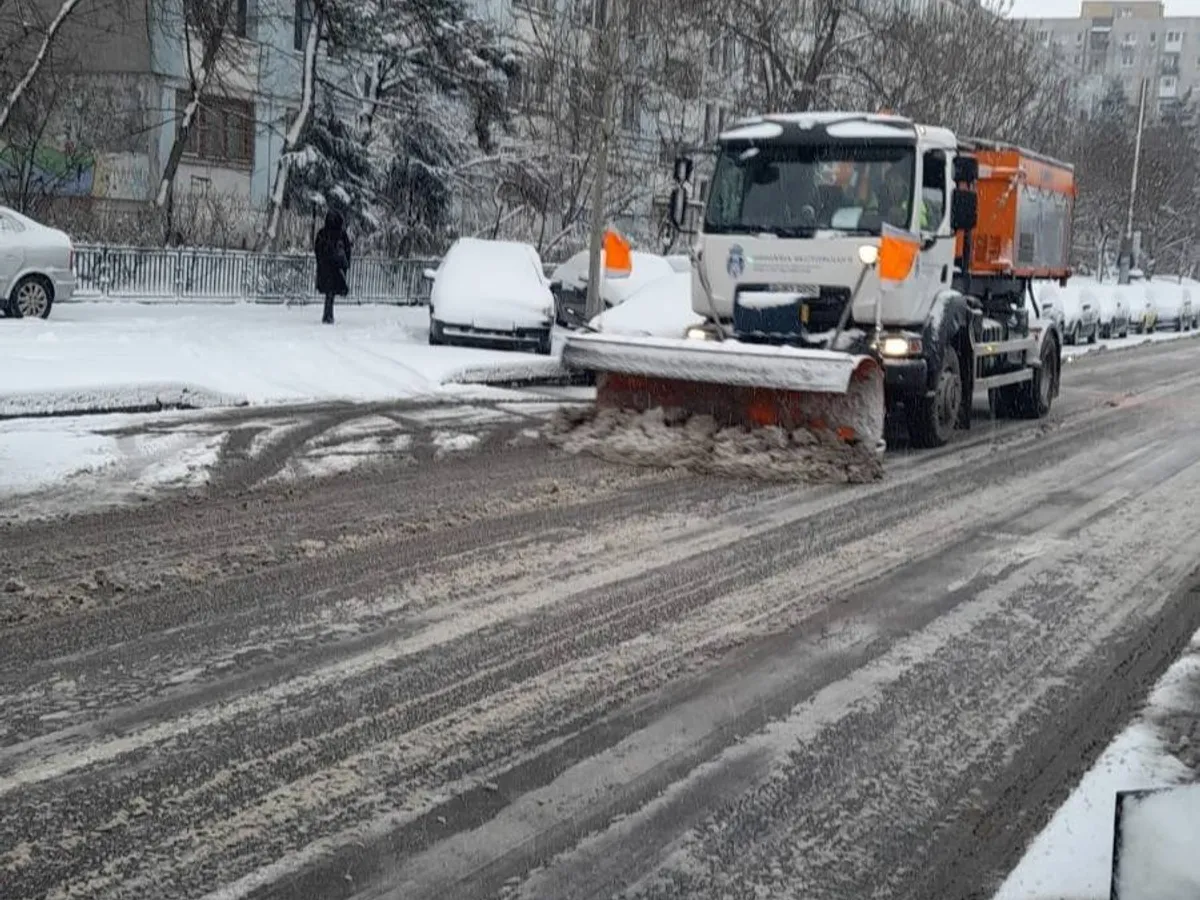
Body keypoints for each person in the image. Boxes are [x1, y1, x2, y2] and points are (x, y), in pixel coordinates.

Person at [314, 210, 352, 324]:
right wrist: (345, 264)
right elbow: (347, 250)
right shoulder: (341, 234)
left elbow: (317, 249)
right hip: (336, 268)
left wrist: (322, 261)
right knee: (331, 293)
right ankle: (328, 315)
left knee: (329, 292)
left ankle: (327, 315)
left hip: (326, 268)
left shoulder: (322, 233)